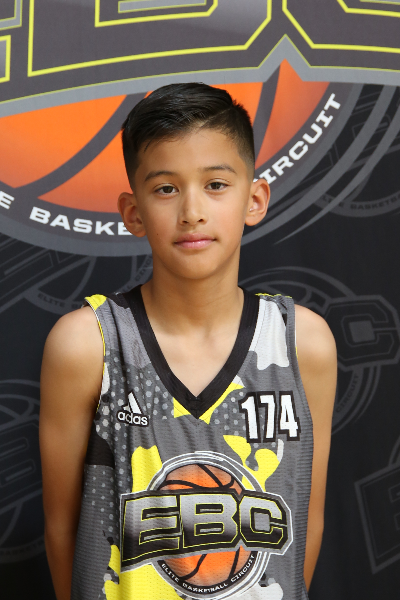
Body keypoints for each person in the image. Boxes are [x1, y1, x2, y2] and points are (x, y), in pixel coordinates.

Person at [40, 83, 337, 600]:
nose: (192, 210)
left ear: (255, 199)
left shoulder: (302, 343)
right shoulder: (88, 344)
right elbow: (62, 529)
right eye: (166, 189)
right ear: (133, 212)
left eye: (216, 184)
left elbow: (305, 522)